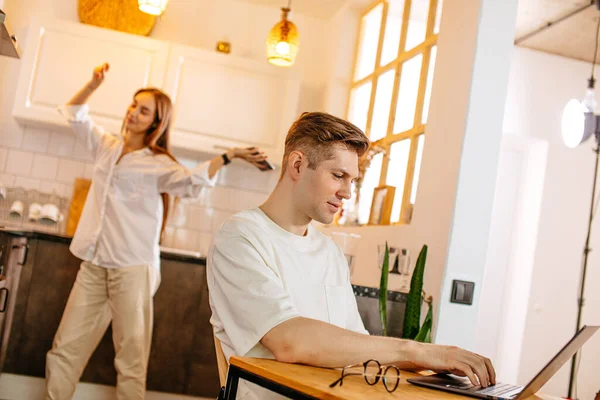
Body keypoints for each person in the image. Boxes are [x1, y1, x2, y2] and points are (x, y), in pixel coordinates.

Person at [207, 112, 496, 399]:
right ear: (297, 165)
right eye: (338, 176)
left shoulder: (330, 252)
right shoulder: (240, 237)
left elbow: (357, 348)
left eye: (352, 180)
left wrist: (441, 361)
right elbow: (289, 341)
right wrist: (417, 349)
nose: (347, 192)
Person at [45, 63, 270, 400]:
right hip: (93, 264)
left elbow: (192, 183)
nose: (133, 112)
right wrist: (93, 83)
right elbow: (75, 113)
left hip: (132, 269)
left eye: (143, 109)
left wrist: (228, 156)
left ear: (156, 121)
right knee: (65, 348)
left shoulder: (159, 163)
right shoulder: (105, 145)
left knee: (130, 358)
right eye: (133, 105)